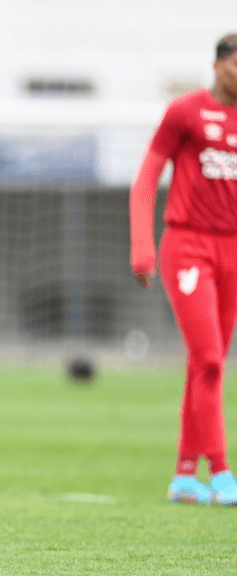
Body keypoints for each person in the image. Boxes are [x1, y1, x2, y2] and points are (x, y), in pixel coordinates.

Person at [130, 32, 237, 506]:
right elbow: (148, 174)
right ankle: (220, 471)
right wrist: (142, 246)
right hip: (189, 247)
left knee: (205, 364)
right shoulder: (186, 112)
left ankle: (182, 475)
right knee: (211, 359)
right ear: (218, 67)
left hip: (233, 251)